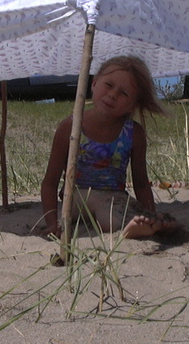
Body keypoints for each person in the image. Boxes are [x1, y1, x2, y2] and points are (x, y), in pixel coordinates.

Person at [40, 55, 178, 238]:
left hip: (115, 197)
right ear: (94, 83)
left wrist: (150, 213)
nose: (113, 95)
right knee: (106, 213)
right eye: (109, 85)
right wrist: (52, 224)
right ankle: (127, 228)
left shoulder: (133, 134)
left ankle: (148, 224)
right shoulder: (71, 127)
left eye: (124, 93)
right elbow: (50, 182)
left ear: (132, 105)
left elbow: (141, 184)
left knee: (120, 207)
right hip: (75, 198)